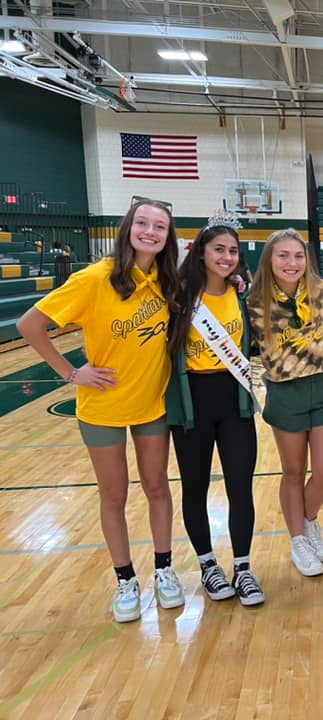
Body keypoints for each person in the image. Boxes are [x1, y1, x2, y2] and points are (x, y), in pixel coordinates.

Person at [17, 197, 184, 623]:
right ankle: (125, 580)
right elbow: (29, 325)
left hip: (151, 404)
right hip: (102, 407)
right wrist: (71, 373)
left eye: (160, 226)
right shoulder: (94, 278)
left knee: (158, 487)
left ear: (168, 237)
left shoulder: (167, 281)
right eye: (142, 223)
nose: (150, 232)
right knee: (114, 494)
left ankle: (164, 570)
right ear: (128, 228)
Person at [166, 212, 264, 606]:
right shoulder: (179, 297)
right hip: (193, 402)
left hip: (234, 399)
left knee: (241, 486)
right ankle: (208, 564)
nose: (226, 257)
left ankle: (243, 567)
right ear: (201, 253)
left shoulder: (241, 294)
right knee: (196, 487)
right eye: (219, 249)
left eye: (233, 251)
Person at [247, 229, 323, 577]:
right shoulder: (253, 301)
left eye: (298, 255)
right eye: (283, 255)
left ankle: (308, 518)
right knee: (293, 472)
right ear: (269, 259)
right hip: (285, 393)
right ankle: (298, 539)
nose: (292, 262)